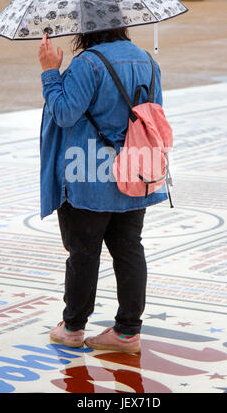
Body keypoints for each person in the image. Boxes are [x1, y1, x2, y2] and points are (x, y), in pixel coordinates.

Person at [38, 28, 168, 353]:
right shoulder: (148, 62)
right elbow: (153, 117)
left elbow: (65, 114)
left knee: (83, 252)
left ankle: (73, 327)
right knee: (129, 249)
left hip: (87, 173)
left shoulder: (88, 64)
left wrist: (50, 72)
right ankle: (127, 332)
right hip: (135, 171)